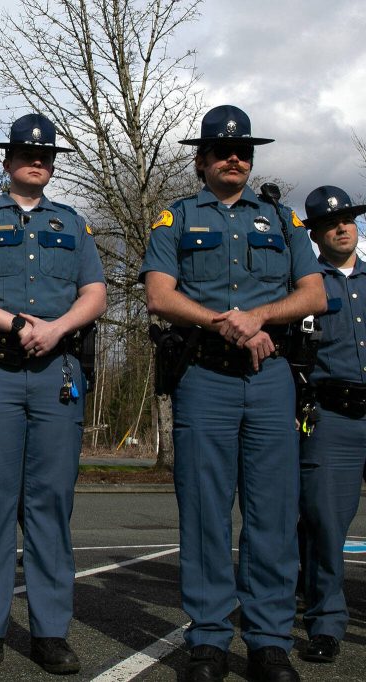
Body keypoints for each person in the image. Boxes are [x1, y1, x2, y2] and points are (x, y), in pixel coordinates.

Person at [141, 105, 326, 682]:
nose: (234, 157)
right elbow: (160, 296)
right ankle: (209, 639)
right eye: (222, 150)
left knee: (272, 512)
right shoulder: (174, 218)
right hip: (205, 377)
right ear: (200, 160)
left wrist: (261, 316)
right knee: (204, 512)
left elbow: (315, 294)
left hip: (270, 380)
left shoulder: (283, 219)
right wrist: (226, 323)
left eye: (243, 150)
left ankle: (270, 640)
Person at [0, 113, 106, 675]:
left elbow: (95, 292)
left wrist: (57, 329)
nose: (36, 159)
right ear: (7, 161)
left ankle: (50, 631)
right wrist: (15, 324)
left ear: (51, 165)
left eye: (45, 154)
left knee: (50, 505)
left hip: (57, 371)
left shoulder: (74, 224)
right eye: (24, 152)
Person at [297, 185, 366, 665]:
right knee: (326, 524)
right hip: (332, 416)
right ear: (317, 233)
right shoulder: (305, 286)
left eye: (348, 220)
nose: (342, 227)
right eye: (330, 223)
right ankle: (325, 622)